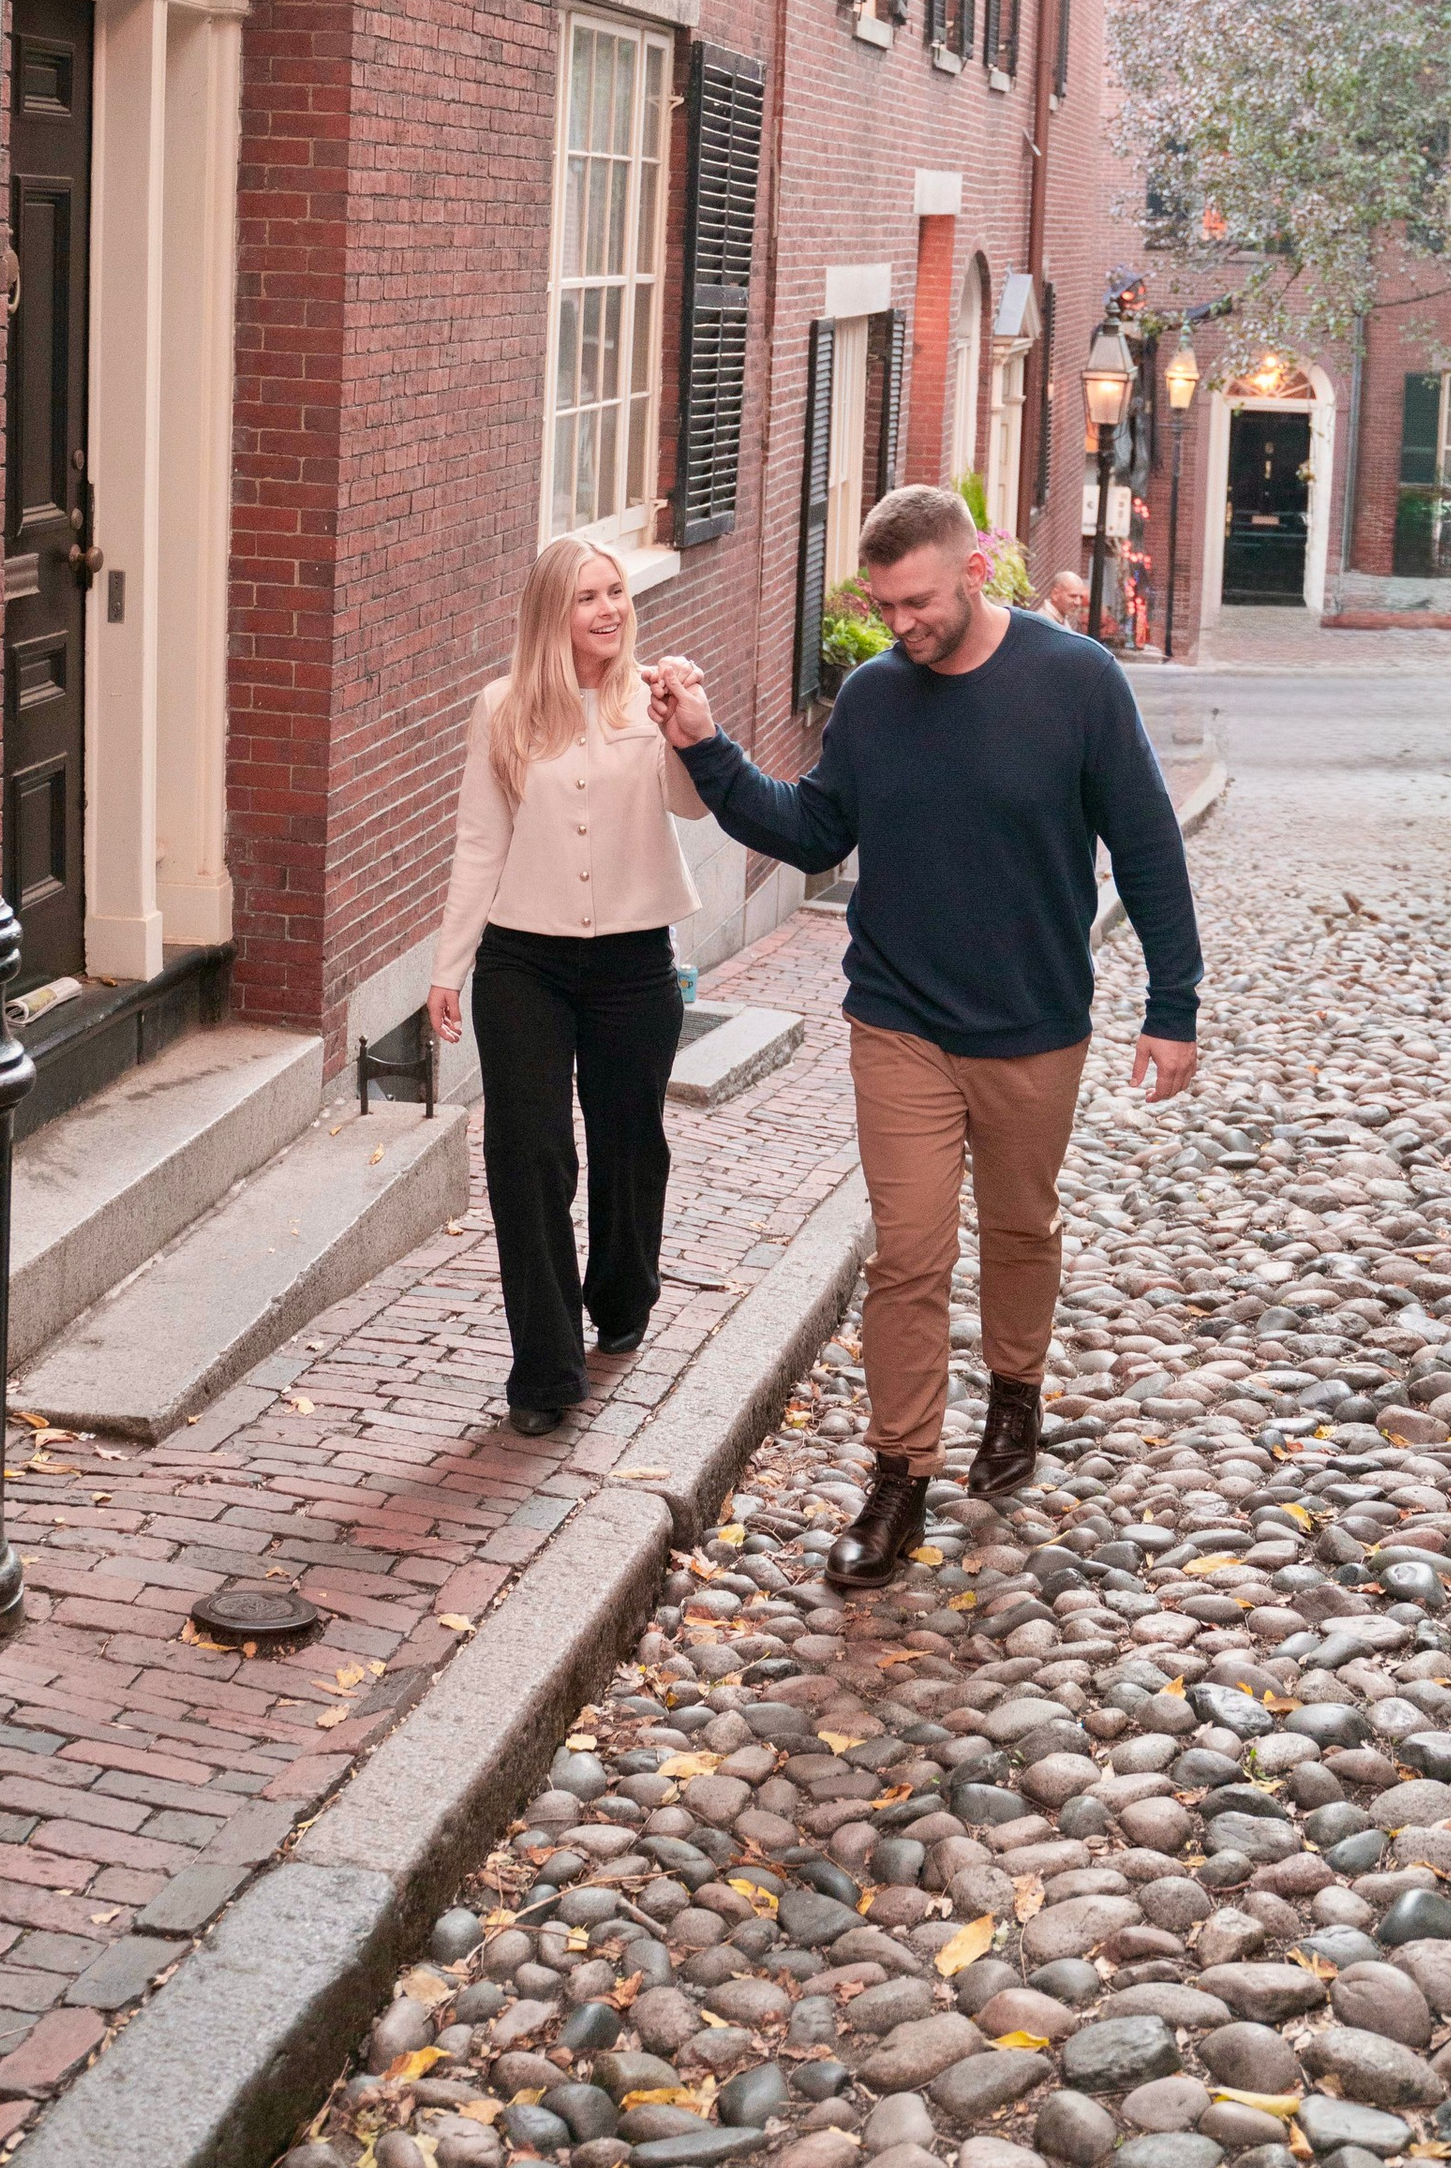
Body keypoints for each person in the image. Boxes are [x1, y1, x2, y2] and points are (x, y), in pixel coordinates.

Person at [647, 483, 1202, 1589]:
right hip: (897, 1018)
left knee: (1021, 1225)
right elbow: (812, 831)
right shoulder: (872, 698)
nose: (900, 624)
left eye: (917, 603)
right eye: (884, 606)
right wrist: (707, 750)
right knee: (907, 1255)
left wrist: (1171, 1005)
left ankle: (1015, 1391)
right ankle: (898, 1477)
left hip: (1034, 1021)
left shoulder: (1076, 680)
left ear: (974, 573)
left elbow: (1146, 844)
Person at [430, 538, 704, 1437]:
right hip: (524, 963)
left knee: (630, 1144)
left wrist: (686, 726)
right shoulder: (500, 708)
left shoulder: (651, 699)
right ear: (553, 612)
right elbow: (481, 841)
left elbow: (693, 804)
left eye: (616, 592)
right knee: (528, 1154)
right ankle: (545, 1369)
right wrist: (448, 967)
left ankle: (622, 1293)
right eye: (588, 596)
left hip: (634, 962)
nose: (609, 609)